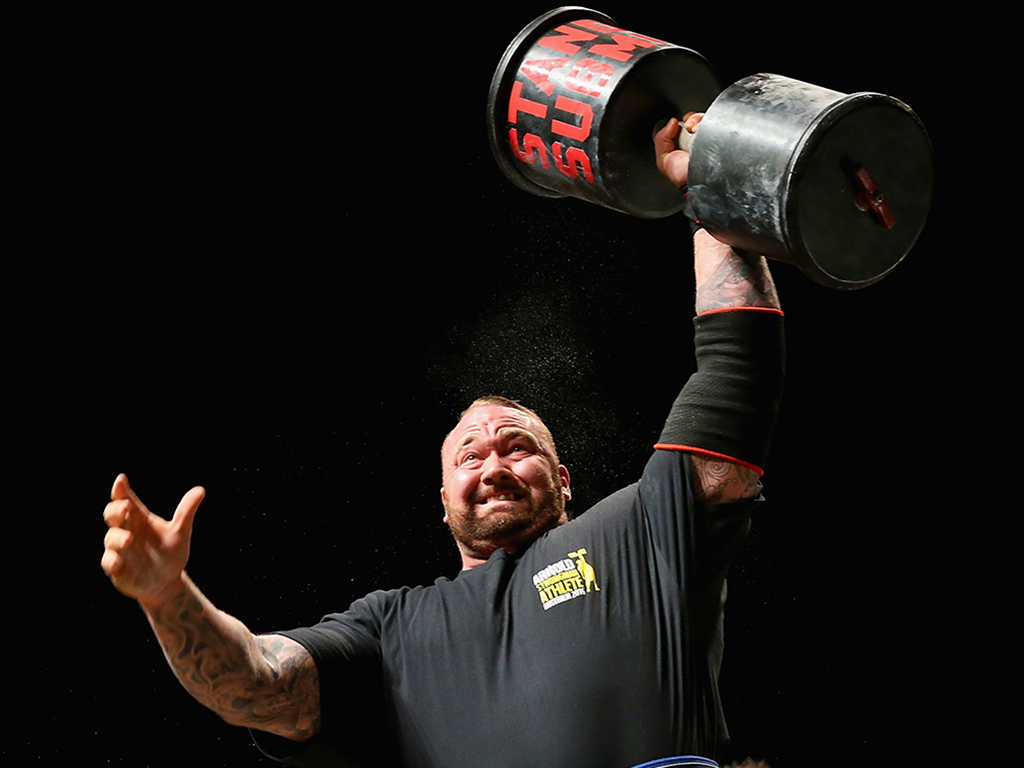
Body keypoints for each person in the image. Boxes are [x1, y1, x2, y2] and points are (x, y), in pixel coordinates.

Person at [101, 113, 785, 767]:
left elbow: (737, 370)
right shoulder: (391, 629)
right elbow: (259, 685)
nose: (492, 463)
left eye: (517, 445)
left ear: (565, 477)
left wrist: (708, 191)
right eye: (469, 454)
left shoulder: (642, 532)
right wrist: (168, 597)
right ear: (441, 498)